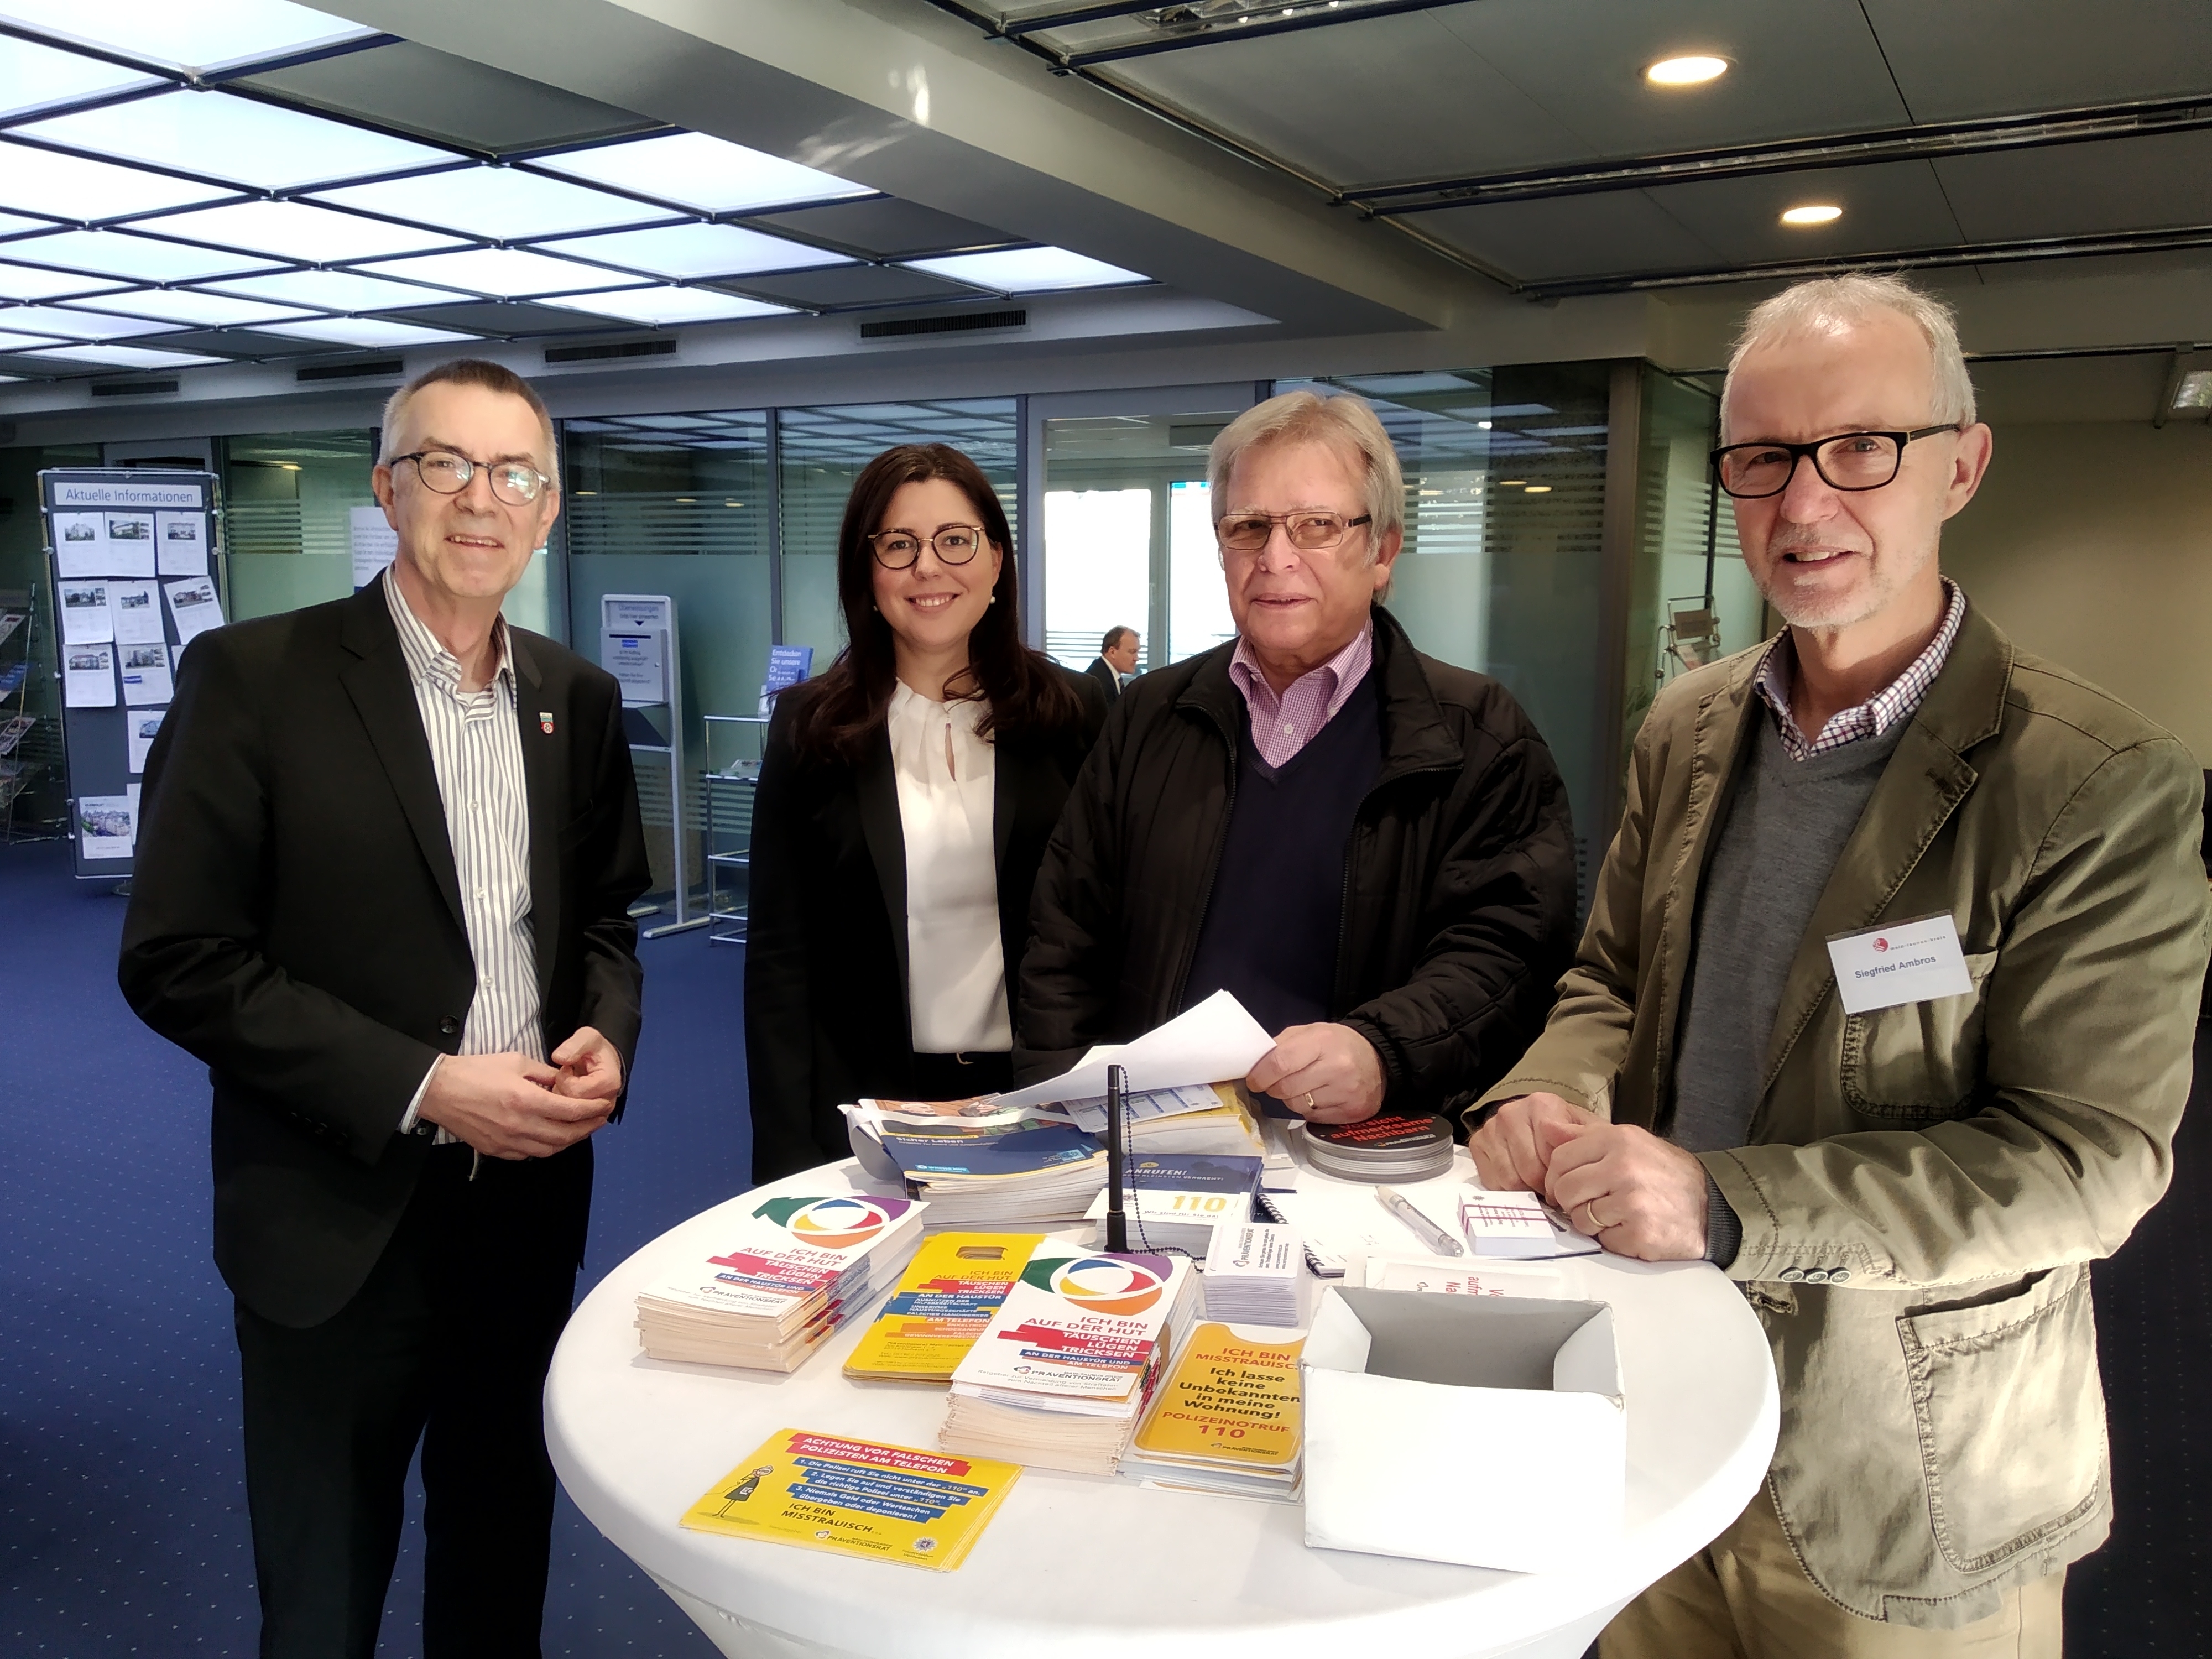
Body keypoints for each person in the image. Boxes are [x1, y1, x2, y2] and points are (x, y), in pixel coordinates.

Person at [1468, 275, 2209, 1656]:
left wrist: (1724, 1201)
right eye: (1760, 458)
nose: (1803, 503)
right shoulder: (1686, 724)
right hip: (1652, 1400)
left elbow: (2085, 1161)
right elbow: (1611, 981)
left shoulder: (2095, 782)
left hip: (1902, 1468)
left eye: (1859, 446)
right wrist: (1552, 1093)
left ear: (1960, 464)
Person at [117, 358, 649, 1659]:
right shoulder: (254, 679)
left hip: (525, 1207)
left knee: (497, 1548)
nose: (482, 499)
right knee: (322, 1595)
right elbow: (179, 953)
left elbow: (600, 923)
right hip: (331, 1214)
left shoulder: (572, 698)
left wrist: (607, 1036)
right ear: (386, 486)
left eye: (513, 473)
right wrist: (422, 1079)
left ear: (549, 507)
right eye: (446, 465)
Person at [1020, 389, 1578, 1124]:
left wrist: (1384, 1051)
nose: (1275, 558)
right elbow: (1064, 938)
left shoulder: (1481, 738)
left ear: (1382, 552)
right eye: (1249, 528)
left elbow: (1508, 959)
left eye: (1316, 526)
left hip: (1367, 1160)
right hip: (1152, 1149)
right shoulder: (1148, 717)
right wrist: (1064, 1116)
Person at [746, 443, 1106, 1181]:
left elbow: (1112, 921)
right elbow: (781, 961)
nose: (928, 568)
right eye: (899, 545)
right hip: (872, 1101)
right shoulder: (810, 729)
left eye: (955, 540)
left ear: (997, 560)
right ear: (866, 572)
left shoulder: (1076, 713)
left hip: (1040, 1095)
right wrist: (784, 1151)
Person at [1086, 624, 1139, 702]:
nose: (1137, 658)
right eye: (1132, 652)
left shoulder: (1104, 673)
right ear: (1112, 652)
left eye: (1137, 652)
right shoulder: (1099, 683)